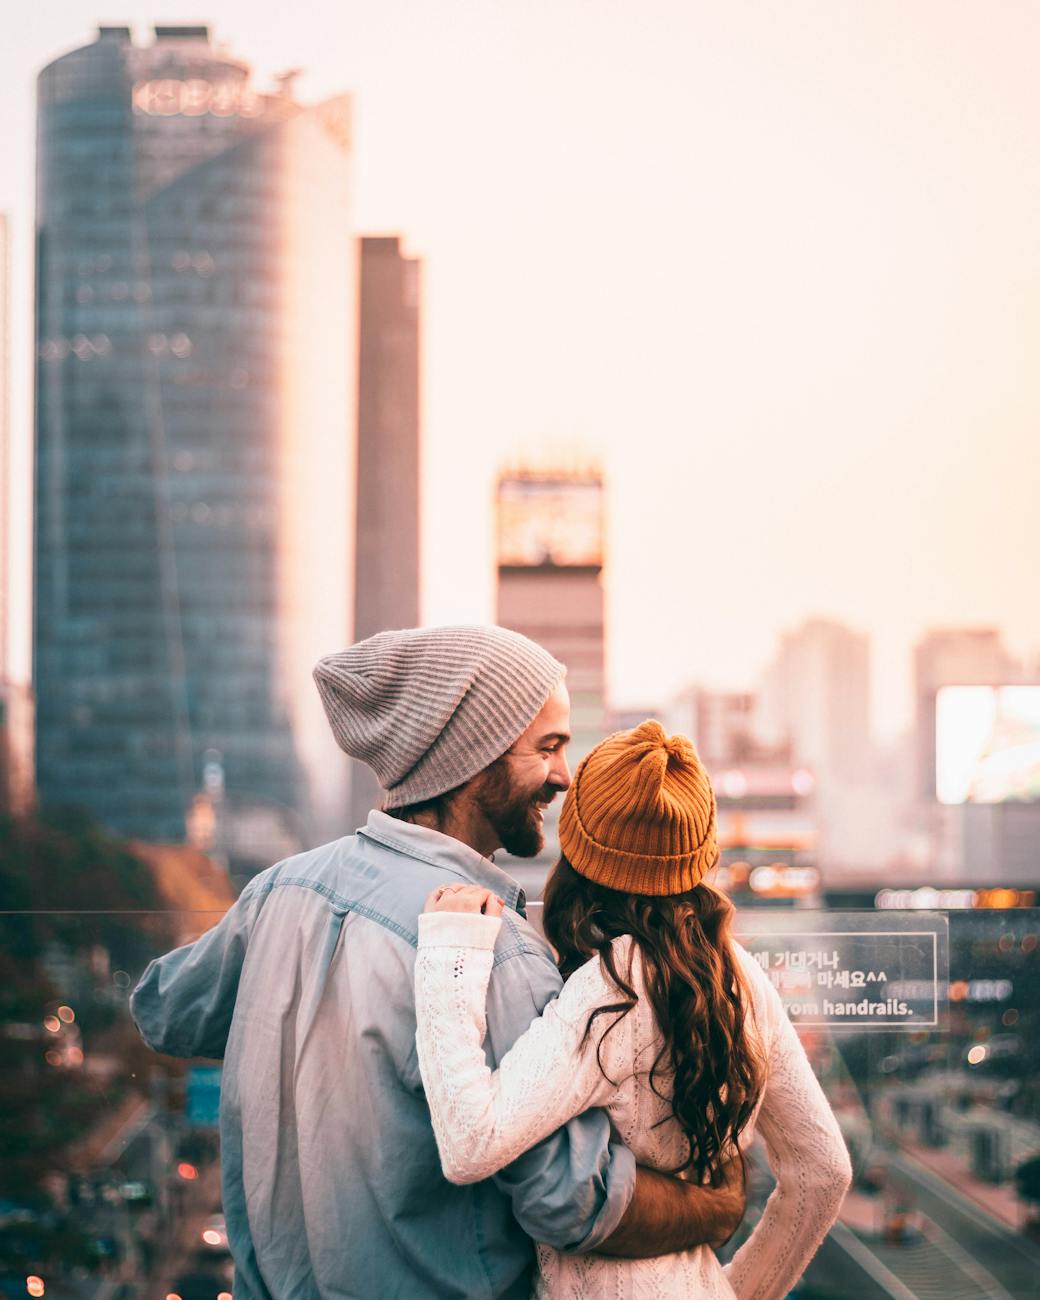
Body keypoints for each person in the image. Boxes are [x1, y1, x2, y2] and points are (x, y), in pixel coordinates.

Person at [131, 626, 745, 1299]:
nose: (565, 776)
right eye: (547, 748)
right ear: (473, 758)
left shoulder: (280, 891)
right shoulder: (496, 954)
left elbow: (164, 1011)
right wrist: (713, 1208)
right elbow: (569, 1199)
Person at [415, 720, 852, 1299]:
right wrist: (738, 1290)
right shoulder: (740, 976)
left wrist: (449, 952)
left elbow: (471, 1144)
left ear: (579, 852)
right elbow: (825, 1172)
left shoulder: (613, 987)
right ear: (699, 857)